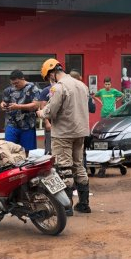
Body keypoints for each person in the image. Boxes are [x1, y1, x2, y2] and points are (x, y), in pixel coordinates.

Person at [36, 59, 91, 215]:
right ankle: (84, 204)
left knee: (64, 168)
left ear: (52, 73)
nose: (49, 80)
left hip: (63, 133)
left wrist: (41, 113)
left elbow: (51, 111)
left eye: (48, 77)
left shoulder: (58, 88)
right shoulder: (81, 85)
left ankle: (67, 207)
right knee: (79, 166)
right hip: (80, 132)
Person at [0, 70, 39, 151]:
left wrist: (18, 106)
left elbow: (36, 105)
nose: (15, 85)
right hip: (11, 124)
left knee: (28, 151)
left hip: (27, 126)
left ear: (23, 79)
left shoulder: (32, 88)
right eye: (13, 83)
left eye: (17, 83)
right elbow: (4, 101)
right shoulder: (8, 90)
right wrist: (2, 105)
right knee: (9, 150)